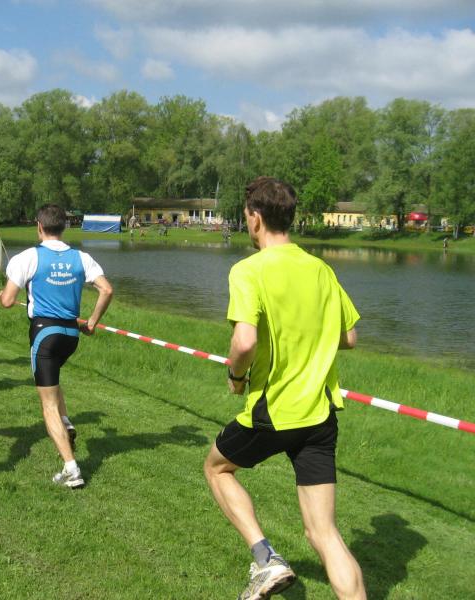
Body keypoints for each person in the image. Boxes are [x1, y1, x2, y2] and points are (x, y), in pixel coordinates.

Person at [203, 177, 366, 600]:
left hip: (273, 412)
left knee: (217, 468)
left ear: (256, 218)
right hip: (320, 416)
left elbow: (244, 343)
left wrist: (237, 377)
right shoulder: (321, 270)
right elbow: (349, 337)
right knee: (324, 533)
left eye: (246, 217)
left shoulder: (248, 270)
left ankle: (266, 560)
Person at [0, 204, 113, 488]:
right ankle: (66, 422)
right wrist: (92, 323)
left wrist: (2, 295)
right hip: (70, 336)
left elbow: (7, 301)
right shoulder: (81, 257)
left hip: (44, 335)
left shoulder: (28, 257)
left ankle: (72, 469)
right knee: (53, 382)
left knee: (47, 404)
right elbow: (107, 289)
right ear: (64, 227)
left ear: (39, 226)